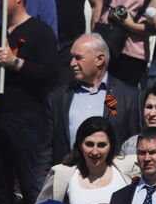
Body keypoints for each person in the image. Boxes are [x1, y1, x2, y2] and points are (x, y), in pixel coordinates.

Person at [0, 0, 57, 204]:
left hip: (27, 120)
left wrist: (16, 63)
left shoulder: (40, 31)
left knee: (30, 186)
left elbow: (50, 74)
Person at [48, 33, 139, 164]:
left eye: (78, 58)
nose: (72, 63)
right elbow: (46, 147)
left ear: (99, 59)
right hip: (69, 176)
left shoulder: (129, 96)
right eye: (72, 57)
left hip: (113, 177)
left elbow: (133, 143)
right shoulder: (58, 97)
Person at [51, 117, 131, 204]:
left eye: (101, 145)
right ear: (80, 145)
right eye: (89, 144)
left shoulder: (128, 169)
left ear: (111, 146)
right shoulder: (63, 175)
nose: (94, 152)